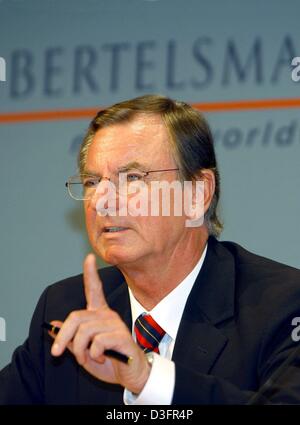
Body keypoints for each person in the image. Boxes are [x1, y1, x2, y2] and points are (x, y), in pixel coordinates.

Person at [1, 94, 300, 405]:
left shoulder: (284, 306)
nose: (101, 201)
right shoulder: (66, 309)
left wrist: (147, 379)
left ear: (197, 195)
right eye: (91, 182)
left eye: (132, 178)